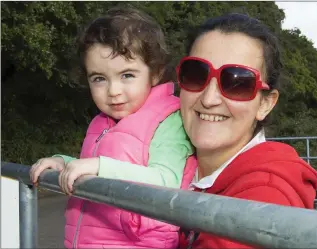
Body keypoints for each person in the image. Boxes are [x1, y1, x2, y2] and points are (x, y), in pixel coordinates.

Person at [29, 6, 196, 249]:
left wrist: (98, 167)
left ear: (156, 73)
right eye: (99, 78)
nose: (113, 91)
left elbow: (165, 182)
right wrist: (65, 163)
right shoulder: (102, 121)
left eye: (127, 75)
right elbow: (96, 167)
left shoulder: (168, 119)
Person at [176, 13, 317, 248]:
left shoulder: (267, 195)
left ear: (265, 103)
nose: (209, 98)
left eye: (238, 83)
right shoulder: (161, 158)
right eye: (196, 74)